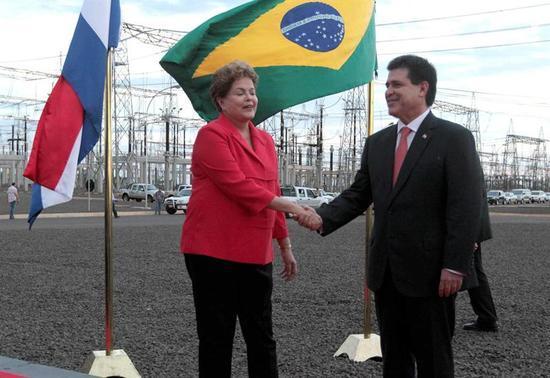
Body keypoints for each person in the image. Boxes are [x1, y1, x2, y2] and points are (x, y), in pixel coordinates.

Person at [297, 55, 483, 377]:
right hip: (386, 274)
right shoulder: (378, 143)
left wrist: (455, 265)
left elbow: (465, 208)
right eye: (386, 86)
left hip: (432, 276)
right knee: (394, 361)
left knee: (434, 360)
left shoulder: (454, 138)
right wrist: (322, 217)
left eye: (397, 84)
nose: (388, 91)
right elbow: (358, 194)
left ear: (423, 88)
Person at [181, 60, 309, 378]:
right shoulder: (211, 136)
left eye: (252, 92)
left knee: (261, 336)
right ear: (221, 100)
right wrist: (293, 207)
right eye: (240, 92)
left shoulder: (265, 141)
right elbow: (239, 187)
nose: (250, 98)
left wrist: (285, 244)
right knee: (216, 338)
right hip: (212, 253)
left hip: (255, 252)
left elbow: (270, 190)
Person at [462, 183, 498, 332]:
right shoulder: (469, 161)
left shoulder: (463, 161)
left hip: (469, 227)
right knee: (475, 271)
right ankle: (486, 316)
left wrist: (471, 235)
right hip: (472, 226)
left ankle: (487, 317)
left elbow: (469, 198)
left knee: (472, 271)